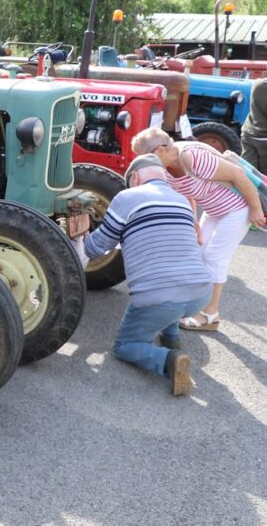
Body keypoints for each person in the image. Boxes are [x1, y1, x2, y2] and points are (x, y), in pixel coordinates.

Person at [79, 153, 213, 396]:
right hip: (200, 293)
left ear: (135, 177)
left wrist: (80, 237)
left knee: (124, 346)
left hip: (160, 298)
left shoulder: (127, 197)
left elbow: (95, 248)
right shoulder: (182, 200)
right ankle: (171, 336)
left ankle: (169, 360)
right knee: (172, 279)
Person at [132, 127, 265, 330]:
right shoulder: (165, 168)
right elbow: (187, 192)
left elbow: (238, 175)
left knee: (214, 257)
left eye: (145, 158)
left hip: (237, 209)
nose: (144, 164)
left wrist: (256, 209)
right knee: (198, 254)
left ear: (160, 151)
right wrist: (193, 221)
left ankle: (211, 315)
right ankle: (196, 306)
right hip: (214, 209)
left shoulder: (192, 158)